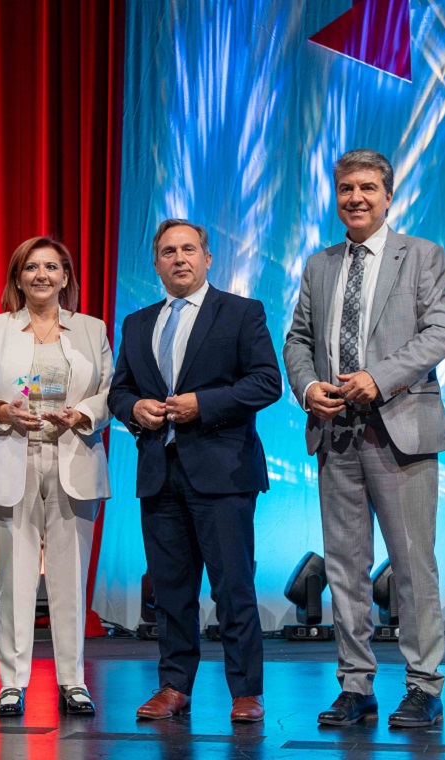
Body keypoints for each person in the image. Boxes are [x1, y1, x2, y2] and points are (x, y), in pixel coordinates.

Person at [283, 148, 445, 728]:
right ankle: (355, 685)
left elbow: (441, 332)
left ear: (388, 196)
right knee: (344, 569)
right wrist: (309, 388)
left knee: (412, 567)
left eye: (366, 188)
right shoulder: (320, 263)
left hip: (400, 431)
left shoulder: (422, 255)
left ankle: (424, 685)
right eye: (345, 189)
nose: (355, 198)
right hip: (335, 433)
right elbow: (298, 339)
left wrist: (378, 379)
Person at [108, 219, 282, 724]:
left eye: (188, 249)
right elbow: (120, 389)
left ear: (207, 258)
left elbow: (266, 382)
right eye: (168, 251)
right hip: (158, 473)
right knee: (170, 591)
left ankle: (246, 691)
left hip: (223, 473)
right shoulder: (137, 323)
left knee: (233, 587)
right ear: (156, 264)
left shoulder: (242, 312)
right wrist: (133, 408)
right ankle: (174, 686)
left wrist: (202, 405)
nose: (179, 258)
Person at [0, 236, 112, 717]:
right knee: (15, 581)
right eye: (31, 267)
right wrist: (1, 411)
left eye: (51, 267)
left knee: (70, 582)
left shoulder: (91, 328)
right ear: (18, 277)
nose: (41, 275)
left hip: (74, 459)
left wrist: (83, 414)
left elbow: (110, 392)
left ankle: (73, 681)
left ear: (66, 277)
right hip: (13, 458)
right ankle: (12, 683)